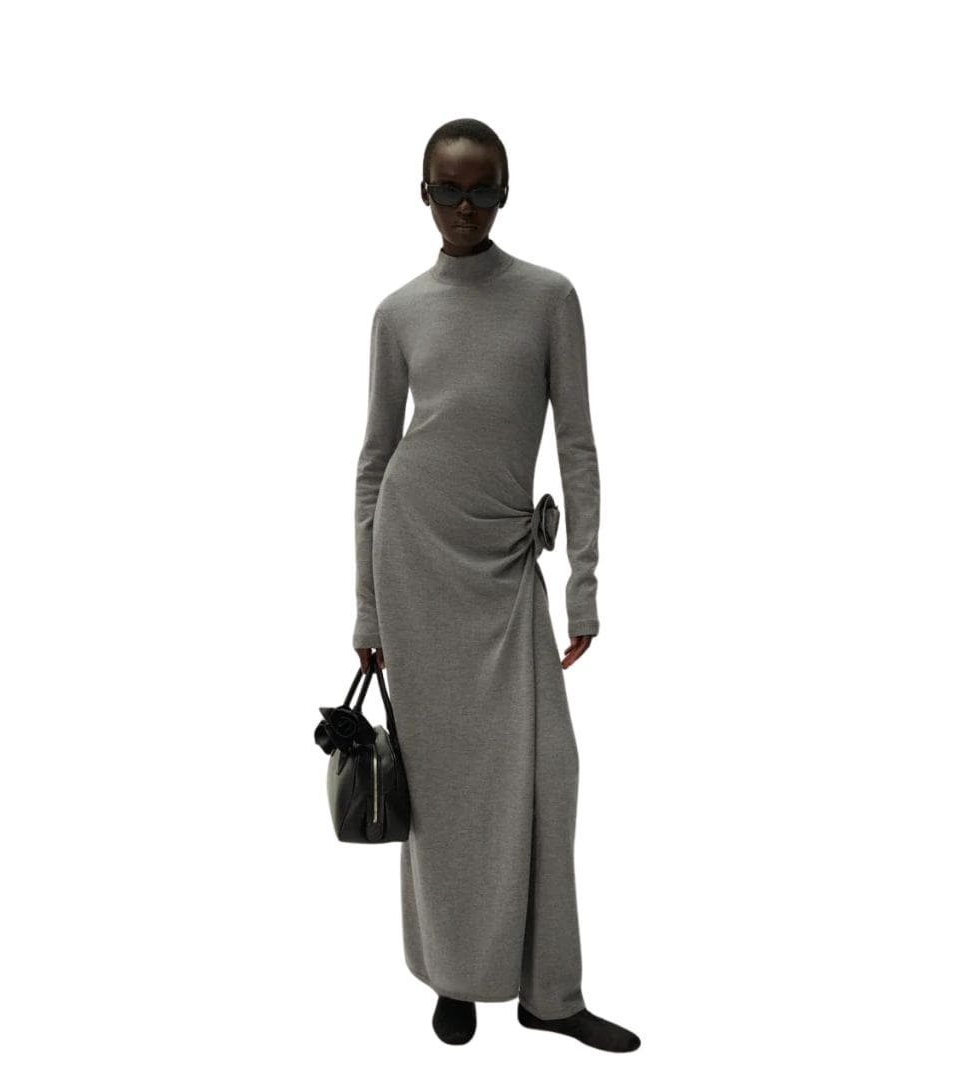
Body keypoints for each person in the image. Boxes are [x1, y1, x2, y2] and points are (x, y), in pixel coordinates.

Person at [351, 118, 639, 1052]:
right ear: (423, 193)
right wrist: (366, 606)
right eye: (448, 189)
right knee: (442, 791)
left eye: (481, 189)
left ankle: (550, 994)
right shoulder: (399, 312)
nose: (464, 206)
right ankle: (454, 975)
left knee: (550, 774)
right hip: (416, 563)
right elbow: (375, 462)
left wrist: (584, 584)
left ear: (507, 192)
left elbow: (578, 448)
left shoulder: (549, 298)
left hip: (508, 565)